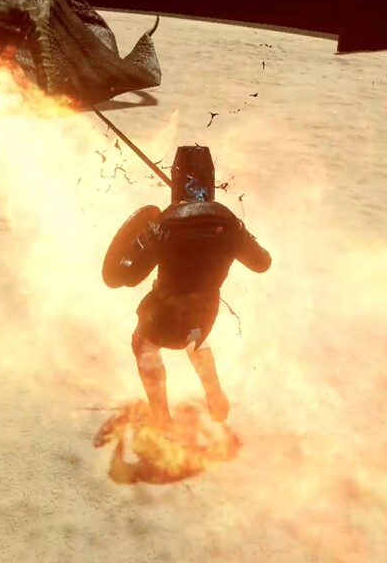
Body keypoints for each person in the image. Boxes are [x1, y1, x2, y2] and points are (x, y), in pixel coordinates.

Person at [104, 146, 272, 428]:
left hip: (163, 322)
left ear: (177, 181)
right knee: (196, 339)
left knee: (143, 344)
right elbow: (262, 263)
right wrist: (240, 232)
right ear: (210, 181)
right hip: (204, 319)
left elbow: (128, 276)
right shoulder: (230, 223)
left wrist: (138, 239)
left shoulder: (162, 225)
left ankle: (162, 420)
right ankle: (215, 397)